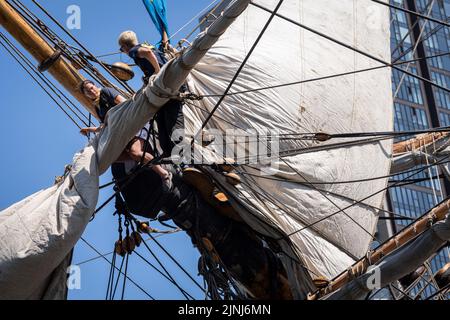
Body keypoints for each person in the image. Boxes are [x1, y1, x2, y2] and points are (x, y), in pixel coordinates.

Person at [78, 80, 171, 184]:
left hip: (133, 127)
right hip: (122, 135)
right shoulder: (97, 107)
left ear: (95, 86)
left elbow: (124, 103)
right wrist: (89, 129)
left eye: (91, 87)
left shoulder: (106, 92)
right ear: (86, 95)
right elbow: (105, 127)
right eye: (87, 91)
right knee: (112, 157)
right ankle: (143, 160)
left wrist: (119, 119)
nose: (91, 91)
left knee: (134, 153)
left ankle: (164, 174)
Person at [118, 30, 185, 158]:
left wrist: (157, 71)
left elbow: (148, 54)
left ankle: (181, 155)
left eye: (122, 49)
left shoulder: (134, 50)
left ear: (125, 46)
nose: (123, 51)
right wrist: (149, 76)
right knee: (162, 119)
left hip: (167, 86)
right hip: (168, 85)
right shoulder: (148, 46)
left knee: (172, 120)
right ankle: (169, 153)